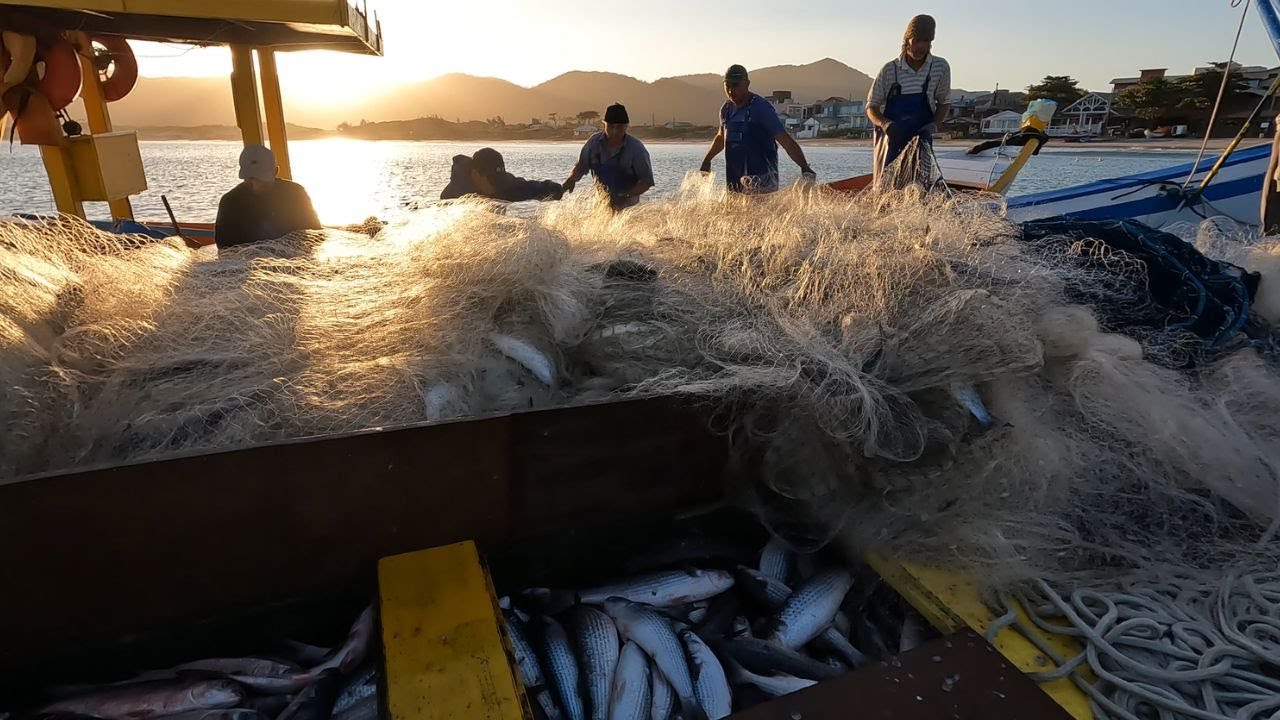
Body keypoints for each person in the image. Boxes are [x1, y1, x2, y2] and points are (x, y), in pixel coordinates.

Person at [699, 64, 815, 193]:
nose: (731, 91)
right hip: (734, 180)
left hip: (762, 180)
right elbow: (721, 137)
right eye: (728, 86)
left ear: (747, 84)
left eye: (736, 85)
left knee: (758, 210)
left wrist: (804, 167)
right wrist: (707, 160)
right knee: (733, 210)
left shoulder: (761, 108)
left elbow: (784, 139)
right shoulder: (726, 110)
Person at [865, 14, 952, 184]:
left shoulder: (940, 67)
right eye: (917, 40)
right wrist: (885, 124)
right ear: (907, 38)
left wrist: (933, 125)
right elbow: (871, 107)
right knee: (887, 185)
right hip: (892, 137)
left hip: (922, 135)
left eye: (926, 41)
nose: (921, 46)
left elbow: (944, 102)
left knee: (921, 184)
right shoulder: (890, 70)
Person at [214, 144, 321, 248]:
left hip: (294, 259)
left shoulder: (296, 193)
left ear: (276, 171)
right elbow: (224, 245)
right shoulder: (230, 201)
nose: (256, 186)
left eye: (262, 180)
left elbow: (314, 232)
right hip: (246, 263)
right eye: (250, 179)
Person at [562, 103, 654, 210]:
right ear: (604, 125)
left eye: (619, 127)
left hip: (629, 206)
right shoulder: (593, 143)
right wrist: (571, 180)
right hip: (602, 202)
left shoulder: (636, 149)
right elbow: (581, 166)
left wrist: (624, 196)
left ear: (626, 126)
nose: (614, 131)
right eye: (610, 126)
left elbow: (646, 182)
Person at [440, 147, 564, 202]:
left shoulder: (503, 185)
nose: (497, 186)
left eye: (499, 180)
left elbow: (525, 188)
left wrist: (550, 188)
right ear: (476, 174)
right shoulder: (452, 196)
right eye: (492, 180)